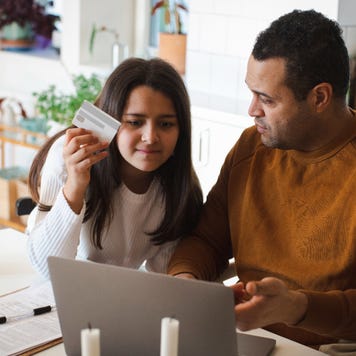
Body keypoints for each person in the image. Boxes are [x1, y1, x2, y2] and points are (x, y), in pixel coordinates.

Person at [167, 9, 356, 350]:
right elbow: (206, 240)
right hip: (249, 336)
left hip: (330, 347)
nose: (252, 109)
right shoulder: (251, 147)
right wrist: (186, 283)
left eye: (267, 99)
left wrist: (298, 307)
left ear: (320, 98)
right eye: (252, 93)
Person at [27, 57, 203, 279]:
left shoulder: (177, 186)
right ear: (112, 121)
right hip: (55, 297)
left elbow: (164, 274)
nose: (150, 137)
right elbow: (46, 268)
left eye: (166, 124)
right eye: (135, 122)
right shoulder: (68, 157)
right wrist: (75, 186)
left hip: (119, 296)